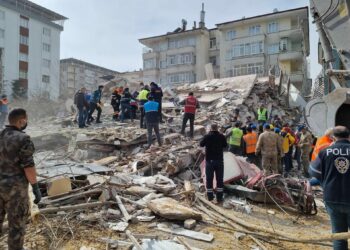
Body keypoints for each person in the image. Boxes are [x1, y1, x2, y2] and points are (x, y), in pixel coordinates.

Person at [0, 108, 41, 250]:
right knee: (16, 226)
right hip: (15, 191)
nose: (26, 122)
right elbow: (28, 167)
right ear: (21, 120)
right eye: (26, 119)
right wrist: (35, 187)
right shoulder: (23, 139)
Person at [309, 126, 350, 250]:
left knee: (338, 235)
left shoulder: (326, 151)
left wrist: (326, 180)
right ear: (348, 136)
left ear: (333, 137)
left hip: (332, 197)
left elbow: (313, 171)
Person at [200, 123, 228, 203]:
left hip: (209, 161)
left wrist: (207, 135)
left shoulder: (207, 136)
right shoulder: (221, 136)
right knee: (219, 179)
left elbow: (201, 144)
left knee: (209, 179)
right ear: (217, 128)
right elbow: (225, 145)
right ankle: (219, 198)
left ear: (210, 128)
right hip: (219, 161)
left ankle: (210, 197)